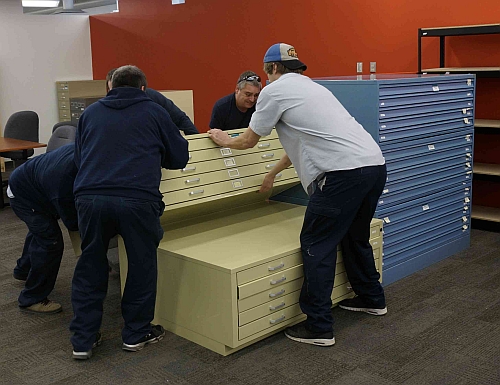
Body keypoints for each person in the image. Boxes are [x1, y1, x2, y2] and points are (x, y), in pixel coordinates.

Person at [208, 43, 387, 347]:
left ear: (272, 69)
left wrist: (226, 140)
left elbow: (249, 140)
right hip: (373, 166)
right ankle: (372, 298)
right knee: (354, 235)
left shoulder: (273, 91)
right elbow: (303, 143)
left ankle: (319, 327)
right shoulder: (314, 89)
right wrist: (272, 174)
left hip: (341, 176)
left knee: (317, 244)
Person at [71, 65, 189, 360]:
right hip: (137, 200)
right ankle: (136, 334)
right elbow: (179, 157)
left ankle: (83, 340)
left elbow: (79, 158)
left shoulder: (90, 113)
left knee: (91, 266)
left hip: (90, 198)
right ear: (143, 88)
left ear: (110, 86)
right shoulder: (155, 111)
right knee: (140, 265)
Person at [8, 144, 78, 314]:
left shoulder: (83, 148)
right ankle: (32, 298)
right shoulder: (65, 178)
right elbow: (73, 223)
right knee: (50, 241)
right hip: (24, 196)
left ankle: (23, 270)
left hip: (31, 184)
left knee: (39, 231)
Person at [106, 68, 199, 135]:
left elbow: (180, 118)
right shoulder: (105, 109)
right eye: (113, 90)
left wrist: (196, 144)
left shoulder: (153, 99)